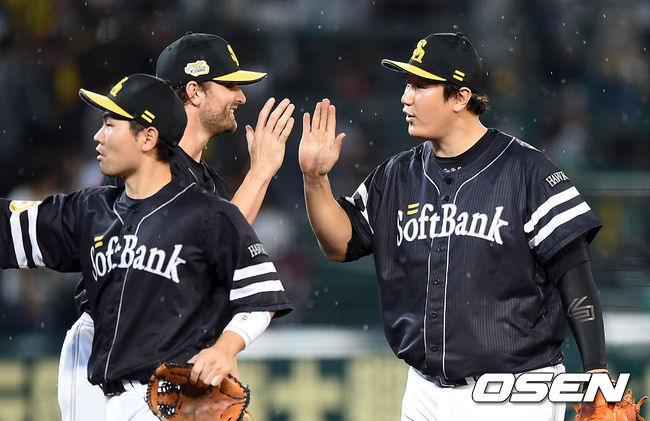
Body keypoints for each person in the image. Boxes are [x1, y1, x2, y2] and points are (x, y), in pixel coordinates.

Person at [298, 32, 607, 420]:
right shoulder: (396, 175)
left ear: (461, 97)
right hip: (423, 389)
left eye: (419, 86)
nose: (405, 97)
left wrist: (596, 371)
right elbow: (340, 244)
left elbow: (575, 279)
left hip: (513, 390)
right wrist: (315, 180)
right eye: (407, 85)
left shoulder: (528, 171)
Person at [1, 73, 292, 421]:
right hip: (102, 395)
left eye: (110, 125)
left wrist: (226, 348)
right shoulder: (89, 210)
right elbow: (9, 230)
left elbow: (261, 297)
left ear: (148, 137)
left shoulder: (208, 213)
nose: (98, 136)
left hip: (168, 399)